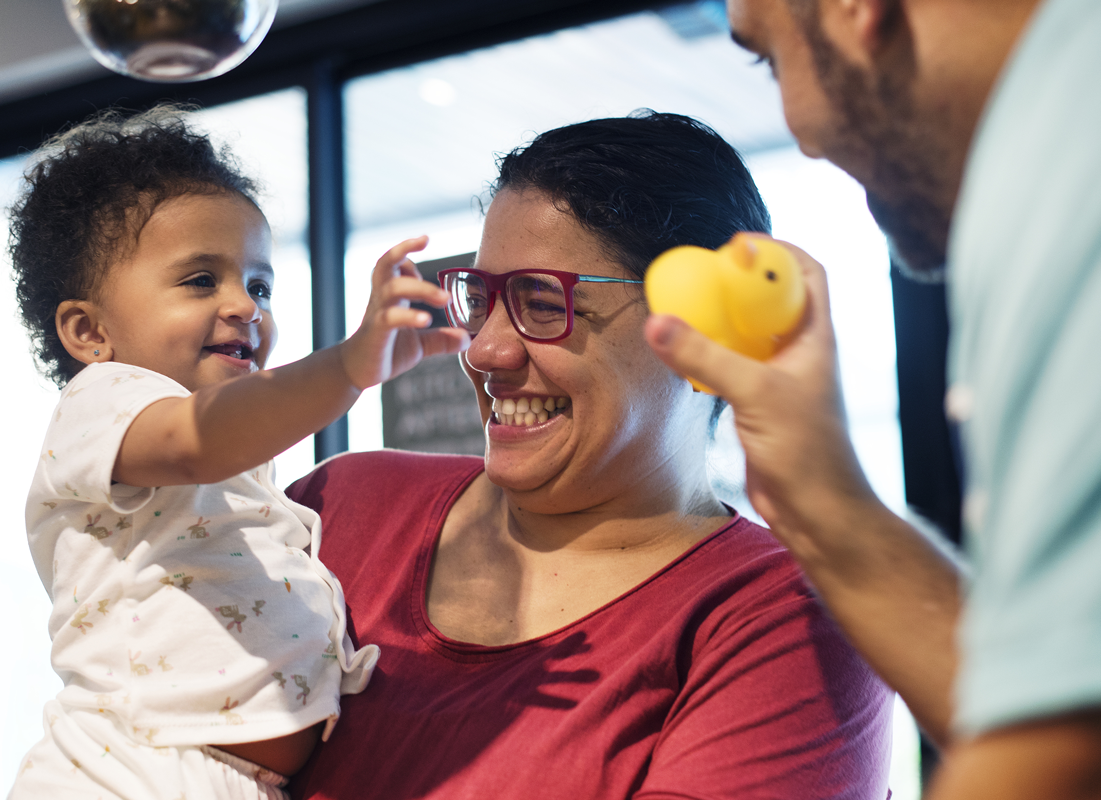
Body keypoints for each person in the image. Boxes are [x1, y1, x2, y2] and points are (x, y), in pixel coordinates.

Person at [285, 111, 894, 800]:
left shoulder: (784, 625)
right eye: (480, 300)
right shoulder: (340, 506)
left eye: (541, 303)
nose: (485, 350)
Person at [645, 0, 1101, 797]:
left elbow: (1086, 765)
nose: (801, 131)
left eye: (768, 59)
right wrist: (824, 505)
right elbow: (1067, 686)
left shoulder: (1090, 133)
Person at [6, 106, 468, 800]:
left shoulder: (242, 461)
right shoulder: (102, 403)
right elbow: (200, 440)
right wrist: (346, 365)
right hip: (126, 772)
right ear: (87, 331)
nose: (246, 306)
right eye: (201, 281)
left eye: (259, 285)